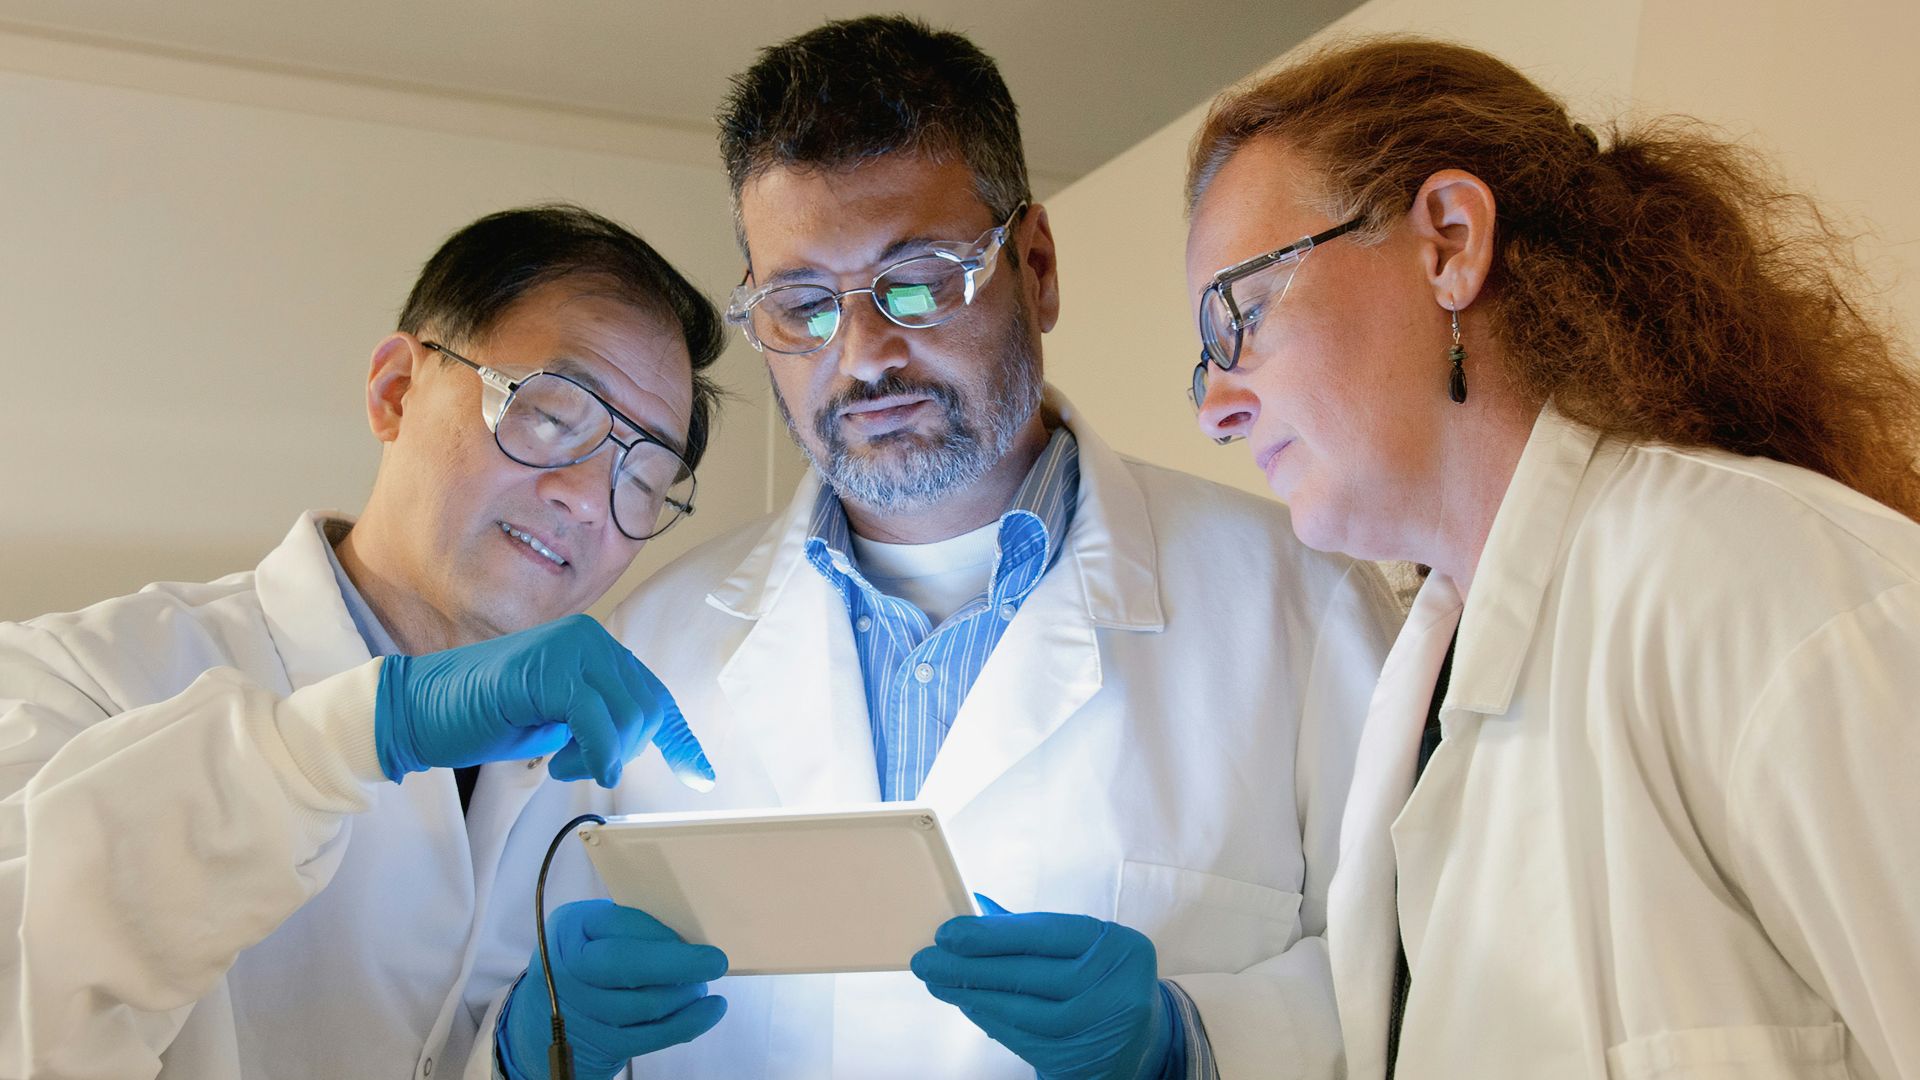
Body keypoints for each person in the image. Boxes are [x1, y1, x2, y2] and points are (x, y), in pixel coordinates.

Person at [597, 16, 1404, 1080]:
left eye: (920, 278)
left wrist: (1192, 1044)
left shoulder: (1306, 606)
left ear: (1036, 267)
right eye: (801, 305)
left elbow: (1420, 983)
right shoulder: (646, 650)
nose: (866, 354)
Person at [1184, 36, 1920, 1080]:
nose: (1217, 405)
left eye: (1241, 318)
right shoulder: (1424, 686)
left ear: (1448, 241)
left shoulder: (1771, 590)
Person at [0, 204, 736, 1080]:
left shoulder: (602, 793)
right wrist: (345, 739)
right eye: (552, 414)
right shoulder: (77, 676)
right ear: (395, 390)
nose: (587, 496)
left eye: (645, 477)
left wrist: (515, 1061)